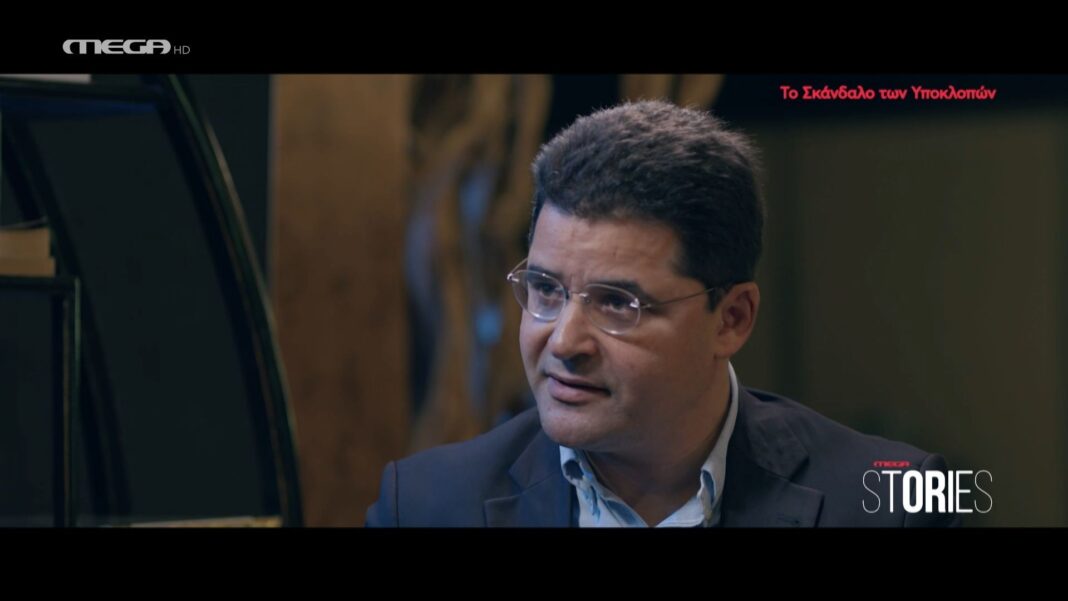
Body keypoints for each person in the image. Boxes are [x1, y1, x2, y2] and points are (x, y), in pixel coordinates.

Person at [366, 100, 958, 527]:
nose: (564, 341)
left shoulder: (895, 506)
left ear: (732, 318)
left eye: (617, 303)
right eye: (546, 290)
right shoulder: (423, 506)